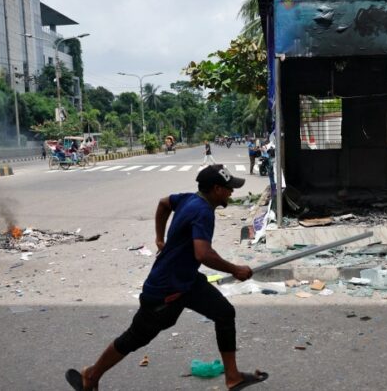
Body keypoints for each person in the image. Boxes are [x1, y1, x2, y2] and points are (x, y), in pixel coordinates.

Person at [65, 164, 268, 391]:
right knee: (136, 337)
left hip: (187, 281)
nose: (232, 192)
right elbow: (202, 253)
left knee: (224, 313)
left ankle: (233, 376)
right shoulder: (203, 211)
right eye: (228, 188)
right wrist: (235, 269)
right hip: (166, 288)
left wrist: (160, 239)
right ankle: (91, 375)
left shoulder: (189, 199)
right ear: (216, 189)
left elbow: (163, 203)